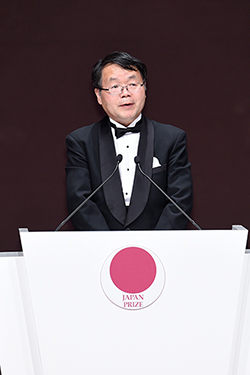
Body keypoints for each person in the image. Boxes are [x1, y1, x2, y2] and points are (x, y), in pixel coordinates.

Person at [66, 51, 193, 231]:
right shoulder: (81, 142)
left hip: (158, 249)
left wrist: (154, 246)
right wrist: (110, 247)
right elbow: (79, 202)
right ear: (99, 95)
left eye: (133, 84)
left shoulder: (172, 138)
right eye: (115, 87)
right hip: (102, 250)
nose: (125, 93)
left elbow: (180, 201)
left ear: (145, 89)